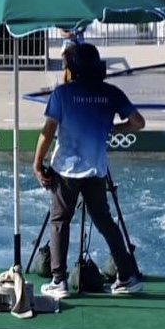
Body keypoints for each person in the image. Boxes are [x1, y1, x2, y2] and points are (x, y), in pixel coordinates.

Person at [32, 42, 146, 298]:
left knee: (60, 221)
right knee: (106, 223)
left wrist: (37, 163)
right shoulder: (111, 93)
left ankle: (59, 281)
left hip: (66, 171)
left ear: (72, 68)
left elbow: (48, 132)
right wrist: (113, 129)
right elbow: (138, 123)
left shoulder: (62, 94)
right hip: (96, 170)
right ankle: (127, 276)